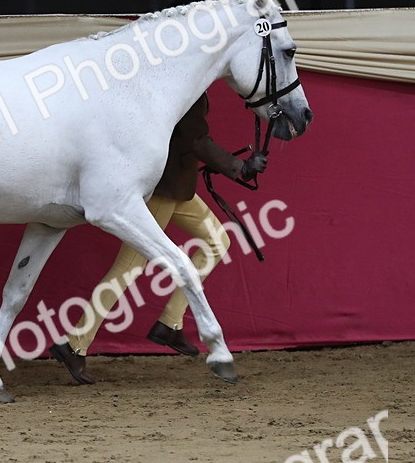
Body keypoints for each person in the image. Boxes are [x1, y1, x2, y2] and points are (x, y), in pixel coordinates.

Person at [49, 94, 266, 384]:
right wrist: (240, 167)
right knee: (128, 268)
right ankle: (74, 343)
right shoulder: (188, 84)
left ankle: (170, 323)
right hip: (164, 188)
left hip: (179, 187)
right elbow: (195, 140)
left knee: (218, 241)